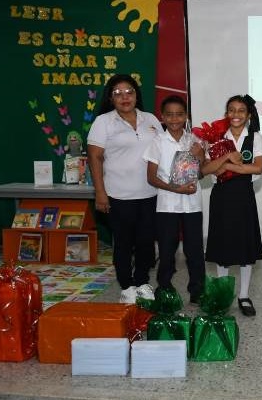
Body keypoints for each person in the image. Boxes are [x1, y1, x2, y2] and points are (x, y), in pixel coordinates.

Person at [87, 74, 162, 304]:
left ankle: (142, 282)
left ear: (136, 94)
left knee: (146, 243)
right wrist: (100, 192)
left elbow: (165, 149)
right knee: (123, 243)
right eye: (118, 93)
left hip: (150, 193)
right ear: (111, 98)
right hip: (118, 195)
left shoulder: (150, 119)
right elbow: (95, 158)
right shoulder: (103, 122)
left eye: (129, 91)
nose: (124, 97)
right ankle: (127, 286)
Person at [201, 95, 262, 317]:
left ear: (248, 115)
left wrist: (226, 167)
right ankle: (222, 294)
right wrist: (229, 160)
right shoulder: (217, 138)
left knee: (245, 248)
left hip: (244, 196)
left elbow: (257, 169)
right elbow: (208, 170)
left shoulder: (255, 137)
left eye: (241, 111)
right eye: (231, 110)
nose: (236, 115)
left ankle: (244, 295)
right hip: (221, 197)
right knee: (223, 247)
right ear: (226, 113)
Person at [142, 95, 206, 304]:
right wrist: (175, 188)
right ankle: (165, 288)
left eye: (179, 114)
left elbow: (202, 172)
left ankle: (197, 289)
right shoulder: (157, 142)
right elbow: (151, 177)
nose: (174, 119)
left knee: (194, 249)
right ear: (163, 117)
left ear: (186, 116)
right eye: (169, 115)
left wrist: (200, 155)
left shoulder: (195, 141)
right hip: (167, 205)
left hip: (192, 204)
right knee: (167, 249)